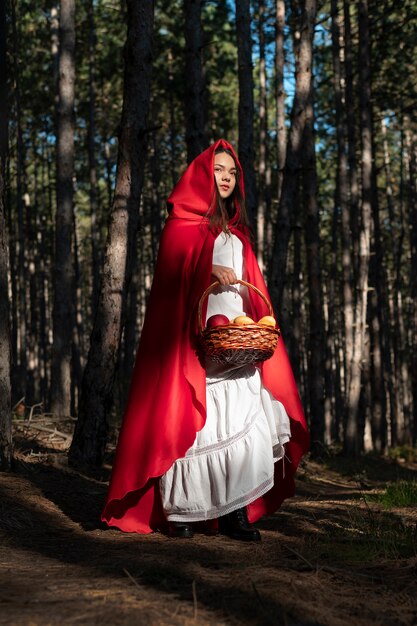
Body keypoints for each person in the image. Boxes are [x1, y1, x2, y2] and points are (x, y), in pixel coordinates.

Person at [101, 139, 309, 541]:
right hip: (197, 338)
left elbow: (251, 284)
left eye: (232, 172)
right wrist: (208, 270)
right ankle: (184, 512)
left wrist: (255, 324)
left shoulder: (239, 233)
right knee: (199, 424)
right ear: (203, 175)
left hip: (238, 335)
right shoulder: (181, 225)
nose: (227, 178)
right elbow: (175, 280)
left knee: (244, 418)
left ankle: (236, 513)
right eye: (219, 171)